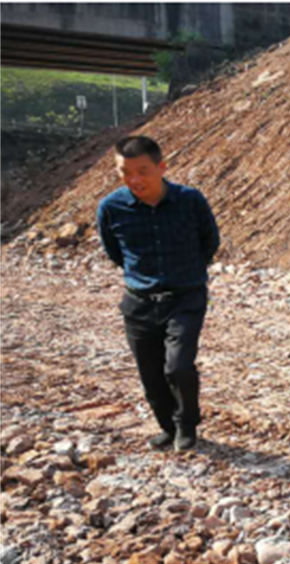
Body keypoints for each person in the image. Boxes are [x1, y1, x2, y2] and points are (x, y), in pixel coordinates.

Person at [96, 136, 220, 451]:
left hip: (185, 298)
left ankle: (187, 425)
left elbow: (210, 241)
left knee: (178, 367)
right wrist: (143, 277)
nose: (134, 179)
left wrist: (187, 274)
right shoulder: (111, 208)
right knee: (151, 376)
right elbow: (115, 252)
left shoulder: (190, 201)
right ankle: (168, 427)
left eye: (143, 171)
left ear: (162, 167)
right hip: (139, 303)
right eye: (125, 172)